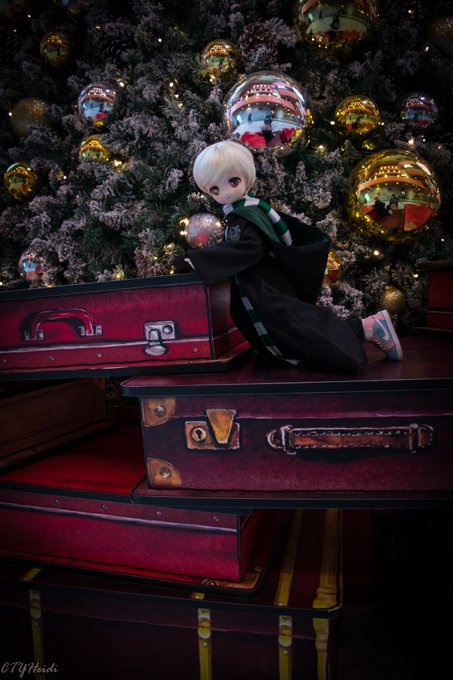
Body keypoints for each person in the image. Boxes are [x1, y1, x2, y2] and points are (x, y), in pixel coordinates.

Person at [177, 140, 402, 373]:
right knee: (290, 325)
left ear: (246, 177)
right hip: (260, 286)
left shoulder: (246, 214)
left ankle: (369, 327)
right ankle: (367, 328)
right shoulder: (245, 212)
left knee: (298, 324)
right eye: (214, 189)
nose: (224, 193)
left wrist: (199, 259)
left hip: (266, 286)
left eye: (233, 181)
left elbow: (250, 248)